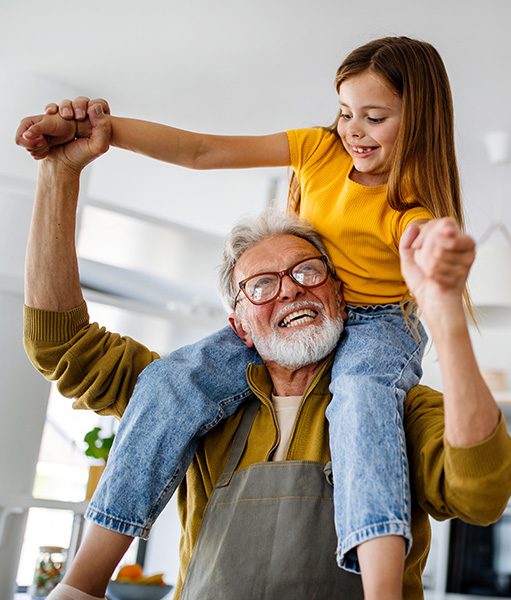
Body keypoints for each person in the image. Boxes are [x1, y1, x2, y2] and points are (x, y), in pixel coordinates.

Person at [17, 36, 464, 599]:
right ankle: (82, 583)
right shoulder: (321, 151)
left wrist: (440, 271)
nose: (351, 129)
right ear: (239, 319)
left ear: (419, 120)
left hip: (380, 325)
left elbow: (479, 487)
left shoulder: (409, 214)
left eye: (374, 117)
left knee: (362, 403)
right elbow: (201, 150)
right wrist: (102, 135)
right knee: (170, 379)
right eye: (346, 112)